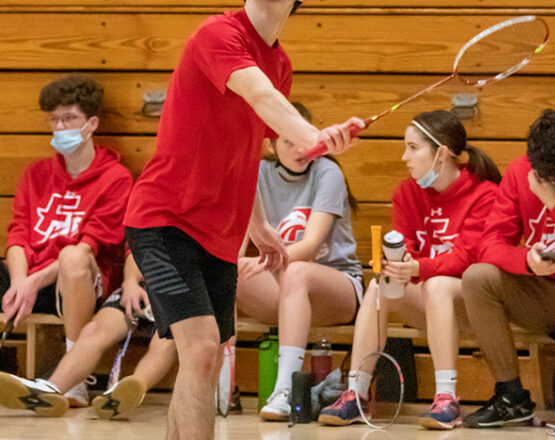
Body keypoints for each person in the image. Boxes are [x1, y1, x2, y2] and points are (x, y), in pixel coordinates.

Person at [122, 1, 364, 439]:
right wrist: (313, 135)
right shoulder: (218, 34)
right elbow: (261, 96)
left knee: (206, 356)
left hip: (218, 236)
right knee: (200, 351)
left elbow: (246, 148)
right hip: (164, 220)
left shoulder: (280, 63)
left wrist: (258, 224)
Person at [318, 110, 501, 429]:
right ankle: (357, 393)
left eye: (413, 148)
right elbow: (407, 251)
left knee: (439, 284)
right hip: (428, 300)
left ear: (441, 153)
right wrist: (396, 265)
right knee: (379, 286)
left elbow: (466, 259)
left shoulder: (485, 194)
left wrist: (417, 267)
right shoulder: (407, 192)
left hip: (471, 306)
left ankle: (447, 398)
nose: (405, 157)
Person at [0, 75, 133, 407]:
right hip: (29, 280)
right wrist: (19, 281)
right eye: (54, 119)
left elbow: (91, 246)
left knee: (73, 256)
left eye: (69, 118)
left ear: (91, 124)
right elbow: (18, 234)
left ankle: (75, 380)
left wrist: (32, 282)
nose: (60, 127)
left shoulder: (115, 178)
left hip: (78, 282)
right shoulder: (36, 174)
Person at [235, 102, 364, 421]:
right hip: (286, 288)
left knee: (296, 270)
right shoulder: (258, 173)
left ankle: (285, 389)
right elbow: (239, 238)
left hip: (337, 288)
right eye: (288, 141)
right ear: (271, 144)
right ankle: (221, 387)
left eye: (303, 139)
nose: (299, 149)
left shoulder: (328, 172)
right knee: (225, 272)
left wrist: (264, 262)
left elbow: (309, 245)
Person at [461, 109, 555, 429]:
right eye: (553, 179)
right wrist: (526, 260)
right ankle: (511, 396)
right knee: (477, 278)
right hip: (540, 293)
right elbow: (489, 243)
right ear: (536, 168)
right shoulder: (519, 172)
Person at [0, 254, 177, 418]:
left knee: (168, 338)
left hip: (181, 293)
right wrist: (130, 283)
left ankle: (132, 388)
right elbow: (135, 253)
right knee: (94, 330)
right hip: (142, 288)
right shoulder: (148, 230)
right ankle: (50, 389)